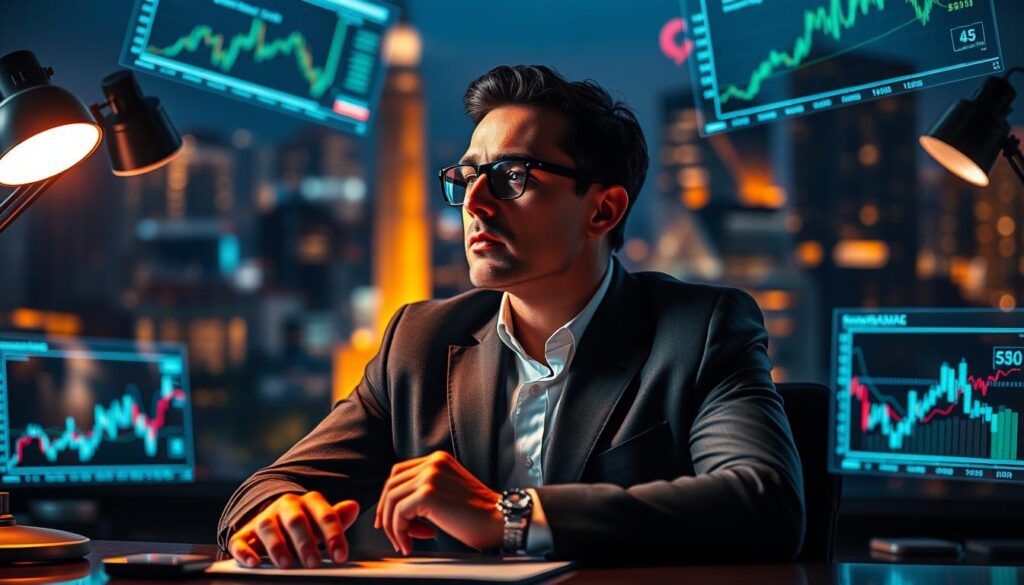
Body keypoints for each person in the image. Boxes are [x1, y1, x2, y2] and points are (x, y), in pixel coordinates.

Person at [217, 65, 805, 568]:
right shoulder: (419, 342)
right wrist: (278, 514)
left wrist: (511, 516)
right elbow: (264, 490)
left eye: (512, 176)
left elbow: (766, 504)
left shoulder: (699, 330)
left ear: (603, 210)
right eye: (468, 176)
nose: (475, 203)